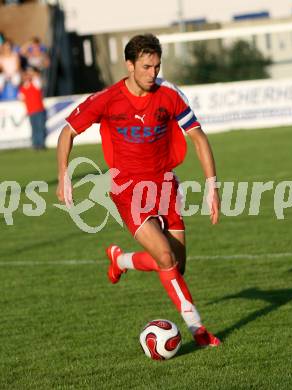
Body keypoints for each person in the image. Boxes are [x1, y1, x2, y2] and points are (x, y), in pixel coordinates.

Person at [56, 34, 221, 348]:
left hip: (165, 186)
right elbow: (67, 132)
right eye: (146, 67)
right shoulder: (107, 99)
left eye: (157, 66)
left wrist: (212, 186)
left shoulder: (168, 95)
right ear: (129, 64)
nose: (153, 73)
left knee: (177, 266)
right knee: (165, 257)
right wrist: (63, 175)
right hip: (129, 191)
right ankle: (199, 331)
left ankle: (121, 261)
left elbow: (199, 138)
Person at [19, 67, 47, 150]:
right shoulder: (23, 87)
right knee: (34, 128)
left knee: (40, 128)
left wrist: (33, 74)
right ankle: (36, 145)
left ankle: (41, 145)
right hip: (31, 111)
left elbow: (38, 81)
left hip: (39, 109)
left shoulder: (35, 82)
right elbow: (21, 98)